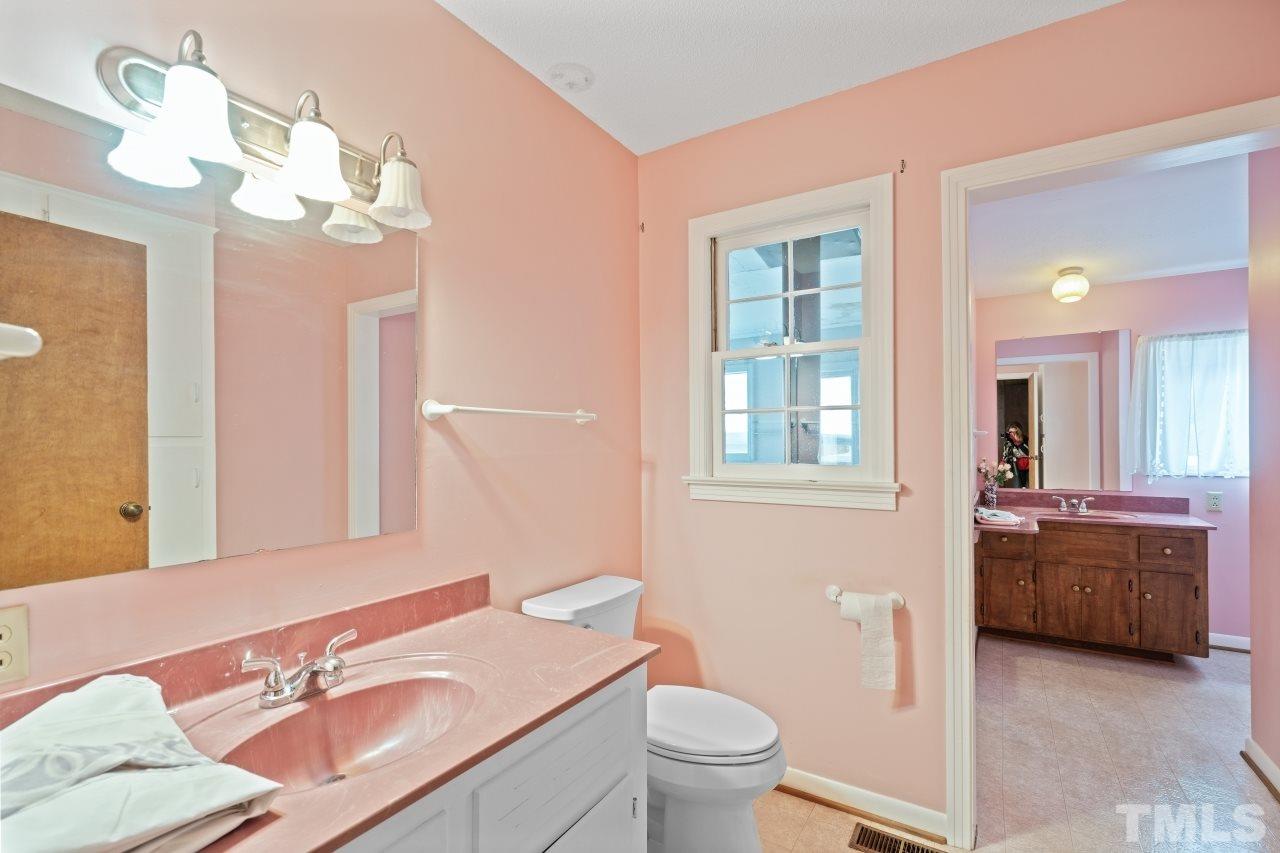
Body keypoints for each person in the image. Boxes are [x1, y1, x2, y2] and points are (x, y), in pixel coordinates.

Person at [1001, 422, 1032, 488]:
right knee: (1016, 485)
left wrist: (1018, 442)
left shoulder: (1025, 439)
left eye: (1011, 432)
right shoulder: (1008, 442)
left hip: (1027, 466)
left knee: (1027, 484)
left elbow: (1029, 452)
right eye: (1009, 432)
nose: (1010, 434)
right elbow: (1005, 454)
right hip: (1014, 466)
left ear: (1018, 432)